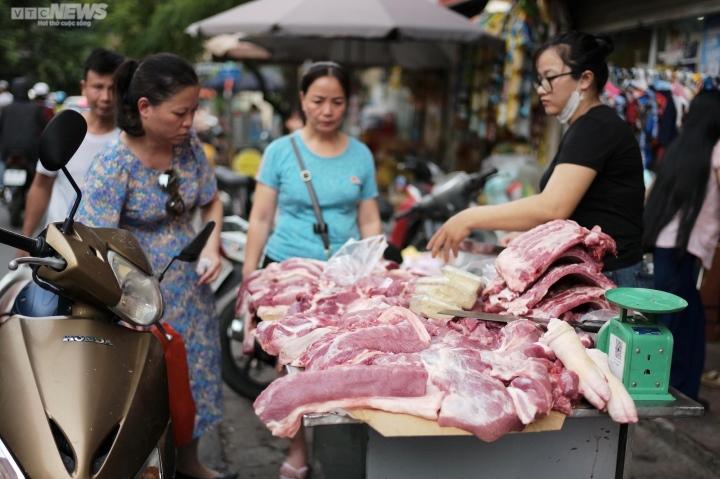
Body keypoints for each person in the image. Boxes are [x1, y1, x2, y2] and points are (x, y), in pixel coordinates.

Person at [77, 53, 232, 479]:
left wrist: (213, 245)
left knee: (195, 374)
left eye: (194, 111)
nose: (189, 122)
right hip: (138, 294)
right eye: (180, 112)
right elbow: (98, 244)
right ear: (144, 108)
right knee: (145, 388)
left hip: (189, 286)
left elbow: (211, 198)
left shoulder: (189, 148)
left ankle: (191, 461)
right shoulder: (114, 164)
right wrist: (125, 301)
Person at [243, 61, 382, 479]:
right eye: (318, 100)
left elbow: (370, 219)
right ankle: (298, 448)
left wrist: (373, 265)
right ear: (302, 100)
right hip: (286, 270)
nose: (327, 110)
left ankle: (338, 446)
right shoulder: (280, 151)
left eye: (337, 102)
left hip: (343, 276)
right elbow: (261, 217)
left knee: (341, 361)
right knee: (288, 363)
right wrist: (250, 275)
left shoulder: (361, 153)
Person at [428, 32, 646, 287]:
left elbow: (552, 206)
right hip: (597, 271)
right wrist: (531, 237)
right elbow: (582, 210)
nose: (541, 90)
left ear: (585, 79)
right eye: (539, 80)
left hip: (612, 277)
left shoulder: (595, 127)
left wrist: (468, 217)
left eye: (550, 78)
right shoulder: (587, 126)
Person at [643, 90, 720, 401]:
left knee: (681, 319)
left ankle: (677, 388)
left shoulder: (679, 148)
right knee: (679, 322)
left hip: (668, 246)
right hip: (683, 249)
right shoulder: (716, 150)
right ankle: (669, 389)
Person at [20, 49, 124, 247]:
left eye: (114, 88)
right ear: (84, 87)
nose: (106, 96)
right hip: (57, 249)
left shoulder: (129, 140)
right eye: (98, 87)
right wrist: (25, 241)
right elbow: (41, 185)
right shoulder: (65, 131)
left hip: (107, 256)